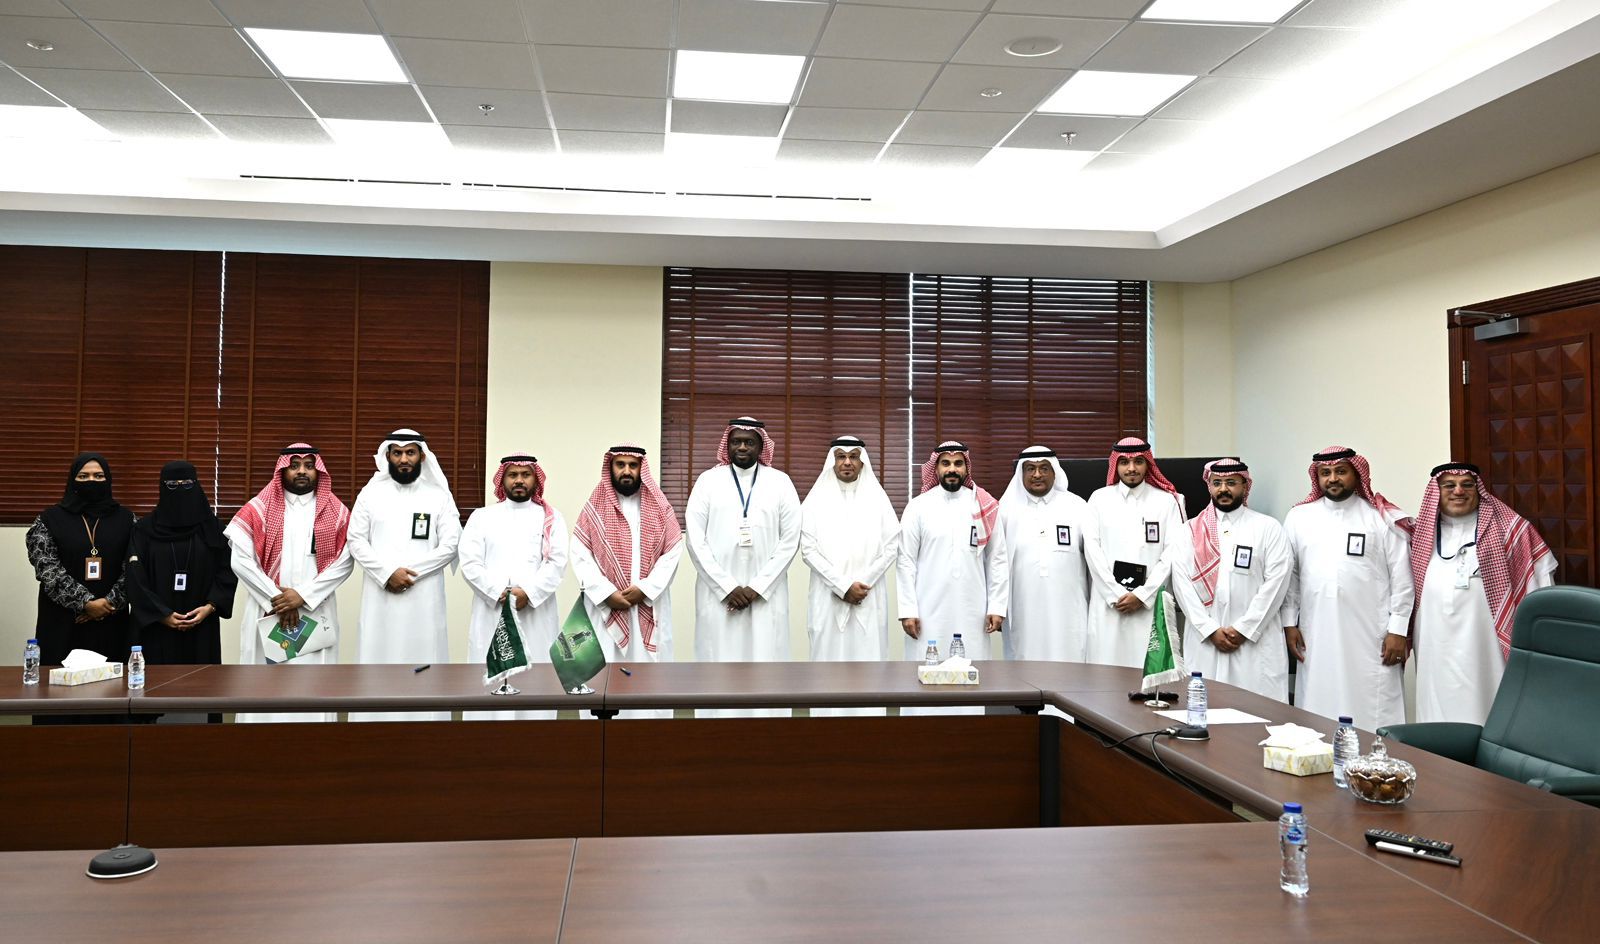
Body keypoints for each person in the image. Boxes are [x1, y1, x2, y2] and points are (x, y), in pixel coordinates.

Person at [1408, 462, 1556, 725]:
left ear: (1478, 491)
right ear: (1435, 492)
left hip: (1486, 643)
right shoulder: (1420, 534)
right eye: (1449, 485)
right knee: (1435, 708)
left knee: (1488, 704)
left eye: (1467, 485)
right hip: (1434, 642)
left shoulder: (1509, 530)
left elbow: (1539, 582)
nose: (1458, 491)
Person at [1282, 446, 1413, 729]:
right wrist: (1289, 623)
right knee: (1318, 697)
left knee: (1372, 701)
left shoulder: (1381, 517)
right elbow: (1291, 576)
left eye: (1341, 471)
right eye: (1325, 473)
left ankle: (1375, 754)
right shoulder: (1298, 517)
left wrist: (1398, 630)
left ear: (1357, 474)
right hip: (1316, 630)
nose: (1333, 479)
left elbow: (1402, 577)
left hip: (1371, 632)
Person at [225, 444, 354, 724]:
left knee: (314, 689)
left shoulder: (337, 512)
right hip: (268, 611)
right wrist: (277, 598)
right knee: (264, 688)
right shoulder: (258, 509)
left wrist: (303, 596)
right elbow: (240, 561)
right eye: (294, 466)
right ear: (282, 470)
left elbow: (345, 562)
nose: (301, 471)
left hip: (314, 610)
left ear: (318, 471)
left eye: (308, 465)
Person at [686, 417, 801, 717]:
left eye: (749, 442)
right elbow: (695, 540)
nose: (742, 447)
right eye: (736, 441)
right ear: (727, 444)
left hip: (766, 598)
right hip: (718, 598)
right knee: (717, 669)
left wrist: (757, 587)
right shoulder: (708, 481)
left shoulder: (780, 482)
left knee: (767, 667)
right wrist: (727, 587)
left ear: (761, 446)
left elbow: (790, 540)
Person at [346, 429, 461, 722]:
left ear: (422, 456)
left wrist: (410, 574)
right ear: (388, 456)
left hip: (424, 598)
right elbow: (356, 540)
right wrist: (387, 574)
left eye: (410, 452)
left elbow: (450, 544)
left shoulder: (438, 496)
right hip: (380, 598)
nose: (404, 459)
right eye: (397, 453)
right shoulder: (371, 494)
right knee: (378, 660)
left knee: (424, 662)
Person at [572, 443, 683, 719]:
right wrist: (606, 593)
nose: (626, 471)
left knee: (648, 683)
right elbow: (580, 554)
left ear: (641, 469)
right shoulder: (594, 507)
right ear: (610, 468)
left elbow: (672, 552)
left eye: (633, 466)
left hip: (647, 606)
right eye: (620, 465)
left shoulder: (660, 507)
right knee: (602, 679)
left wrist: (644, 589)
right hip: (604, 608)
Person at [26, 453, 136, 724]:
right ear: (72, 480)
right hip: (62, 622)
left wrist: (108, 604)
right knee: (58, 697)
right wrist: (85, 602)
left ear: (108, 480)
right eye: (83, 476)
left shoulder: (127, 519)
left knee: (110, 695)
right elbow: (46, 567)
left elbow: (135, 567)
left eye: (99, 476)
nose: (91, 481)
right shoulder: (48, 519)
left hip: (111, 623)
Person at [1170, 459, 1293, 701]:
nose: (1223, 489)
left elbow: (1277, 583)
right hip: (1206, 640)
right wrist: (1209, 629)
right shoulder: (1189, 530)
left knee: (1257, 709)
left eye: (1231, 483)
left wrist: (1244, 629)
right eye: (1217, 483)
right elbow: (1182, 584)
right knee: (1207, 707)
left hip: (1255, 641)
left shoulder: (1267, 527)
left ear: (1245, 486)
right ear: (1209, 487)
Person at [459, 454, 568, 720]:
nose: (519, 480)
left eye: (525, 474)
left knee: (535, 683)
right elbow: (470, 562)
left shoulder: (551, 517)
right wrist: (500, 593)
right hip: (492, 611)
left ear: (535, 480)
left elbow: (557, 562)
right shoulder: (482, 517)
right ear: (503, 480)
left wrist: (528, 593)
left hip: (535, 614)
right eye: (513, 475)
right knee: (491, 685)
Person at [799, 437, 900, 718]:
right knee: (827, 669)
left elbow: (892, 545)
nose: (847, 462)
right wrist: (842, 586)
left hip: (869, 597)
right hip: (828, 599)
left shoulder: (877, 498)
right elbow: (807, 549)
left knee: (869, 668)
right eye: (841, 456)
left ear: (862, 461)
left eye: (853, 456)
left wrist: (862, 583)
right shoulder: (816, 500)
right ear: (832, 460)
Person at [897, 441, 1008, 667]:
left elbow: (997, 559)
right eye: (945, 463)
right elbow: (906, 561)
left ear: (966, 468)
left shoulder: (983, 505)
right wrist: (908, 610)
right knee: (927, 671)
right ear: (936, 468)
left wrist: (997, 606)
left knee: (972, 670)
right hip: (927, 608)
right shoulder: (918, 507)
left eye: (958, 463)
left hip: (973, 608)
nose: (952, 469)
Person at [1082, 437, 1187, 668]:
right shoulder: (1099, 499)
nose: (1131, 468)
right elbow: (1092, 551)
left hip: (1149, 604)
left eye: (1138, 461)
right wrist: (1115, 594)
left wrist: (1142, 595)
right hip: (1109, 604)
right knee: (1106, 670)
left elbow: (1172, 553)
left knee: (1146, 671)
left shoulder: (1166, 502)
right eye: (1124, 462)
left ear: (1148, 464)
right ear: (1115, 465)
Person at [125, 461, 237, 669]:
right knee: (156, 685)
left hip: (202, 624)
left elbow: (227, 570)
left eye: (186, 484)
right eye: (172, 485)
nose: (179, 490)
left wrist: (210, 607)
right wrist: (162, 614)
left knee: (201, 683)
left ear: (196, 485)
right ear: (161, 487)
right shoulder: (144, 530)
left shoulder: (213, 529)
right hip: (155, 626)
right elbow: (135, 576)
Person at [997, 446, 1090, 662]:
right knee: (1024, 664)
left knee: (1070, 661)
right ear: (1021, 473)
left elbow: (1094, 560)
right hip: (1022, 606)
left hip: (1069, 606)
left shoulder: (1077, 506)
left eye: (1044, 468)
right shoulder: (1005, 510)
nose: (1037, 474)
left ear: (1055, 472)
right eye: (1030, 469)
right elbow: (995, 563)